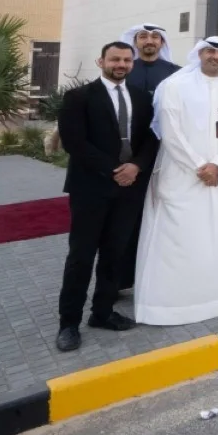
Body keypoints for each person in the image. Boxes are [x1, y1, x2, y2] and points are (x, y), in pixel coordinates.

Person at [134, 36, 218, 325]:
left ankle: (213, 299)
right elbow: (170, 133)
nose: (216, 57)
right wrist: (200, 166)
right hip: (181, 177)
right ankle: (166, 308)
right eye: (210, 51)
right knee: (177, 241)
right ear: (199, 54)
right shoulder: (175, 86)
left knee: (214, 237)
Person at [55, 41, 158, 352]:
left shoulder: (142, 98)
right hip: (91, 189)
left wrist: (137, 166)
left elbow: (152, 139)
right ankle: (68, 323)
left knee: (115, 254)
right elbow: (75, 142)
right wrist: (116, 169)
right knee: (81, 257)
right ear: (101, 61)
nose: (121, 64)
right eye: (115, 59)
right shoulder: (79, 97)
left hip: (129, 190)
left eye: (127, 60)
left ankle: (102, 313)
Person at [115, 22, 181, 290]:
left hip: (168, 154)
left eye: (155, 37)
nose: (149, 41)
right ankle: (122, 279)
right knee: (128, 219)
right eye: (143, 37)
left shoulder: (176, 74)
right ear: (135, 42)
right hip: (129, 157)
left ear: (163, 43)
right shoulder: (125, 72)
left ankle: (162, 274)